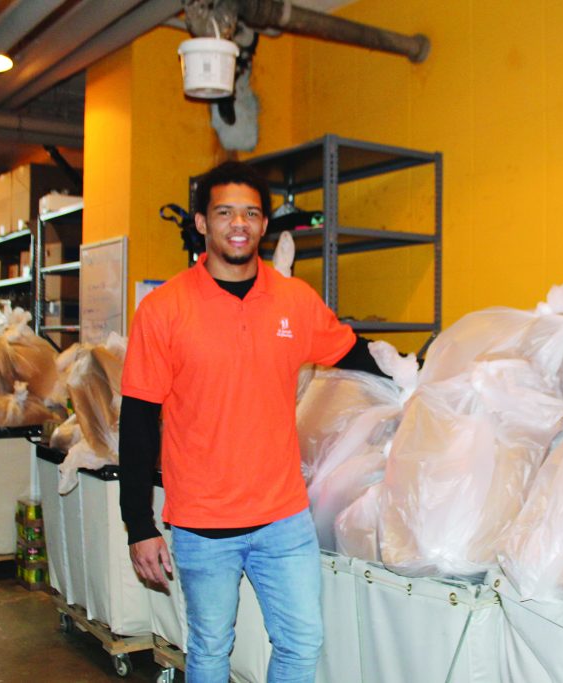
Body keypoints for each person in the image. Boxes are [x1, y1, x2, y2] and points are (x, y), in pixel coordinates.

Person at [119, 160, 386, 683]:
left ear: (265, 225)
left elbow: (353, 353)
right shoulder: (165, 309)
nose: (238, 223)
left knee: (301, 641)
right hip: (202, 522)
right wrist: (138, 522)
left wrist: (418, 380)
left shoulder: (294, 301)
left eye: (250, 213)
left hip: (283, 517)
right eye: (224, 212)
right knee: (212, 649)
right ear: (201, 222)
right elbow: (138, 419)